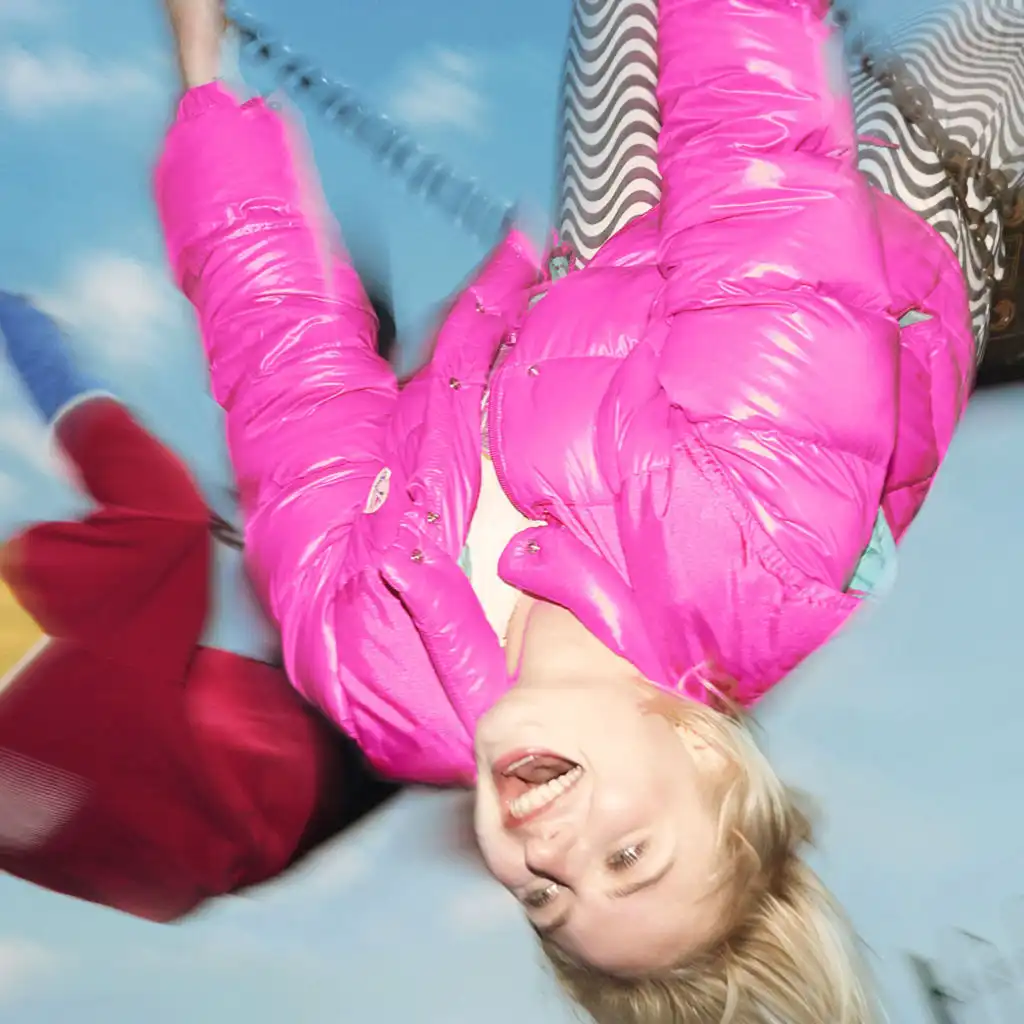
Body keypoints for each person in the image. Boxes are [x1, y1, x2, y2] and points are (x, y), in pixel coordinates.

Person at [155, 0, 989, 1020]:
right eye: (628, 857)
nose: (550, 854)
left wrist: (203, 73)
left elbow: (283, 372)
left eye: (546, 898)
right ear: (700, 755)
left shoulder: (367, 662)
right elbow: (749, 139)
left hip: (597, 287)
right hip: (868, 234)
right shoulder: (752, 527)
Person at [0, 292, 396, 922]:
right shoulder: (19, 620)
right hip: (294, 762)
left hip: (212, 852)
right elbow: (165, 515)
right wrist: (40, 356)